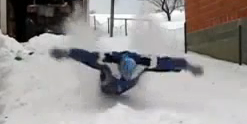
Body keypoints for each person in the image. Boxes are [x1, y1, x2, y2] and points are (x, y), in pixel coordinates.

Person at [49, 48, 204, 95]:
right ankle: (109, 86)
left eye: (129, 73)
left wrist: (188, 66)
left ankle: (121, 85)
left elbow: (168, 63)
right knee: (105, 73)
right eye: (124, 72)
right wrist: (67, 53)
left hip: (124, 87)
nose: (126, 75)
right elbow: (87, 57)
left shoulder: (145, 62)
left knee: (159, 64)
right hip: (109, 86)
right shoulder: (107, 60)